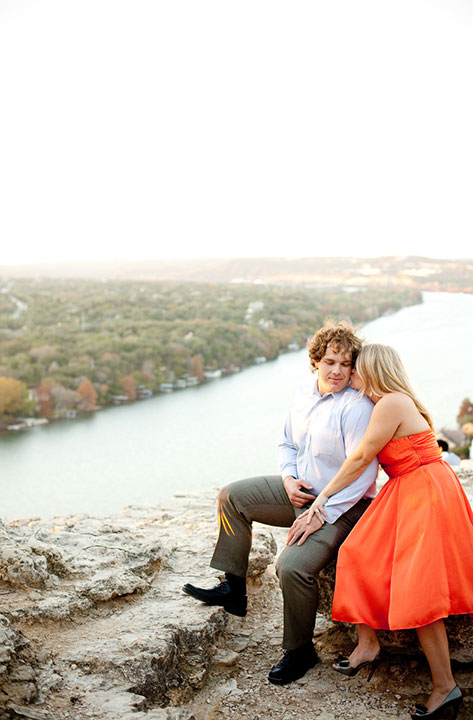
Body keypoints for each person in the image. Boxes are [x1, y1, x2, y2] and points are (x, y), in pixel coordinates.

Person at [183, 321, 378, 685]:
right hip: (298, 491)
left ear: (354, 367)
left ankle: (300, 649)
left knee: (290, 566)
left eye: (346, 364)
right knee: (232, 497)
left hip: (341, 506)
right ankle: (233, 588)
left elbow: (363, 474)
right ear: (316, 361)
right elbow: (287, 443)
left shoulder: (356, 407)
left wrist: (321, 512)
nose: (337, 371)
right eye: (330, 361)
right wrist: (288, 479)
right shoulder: (302, 394)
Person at [297, 344, 473, 719]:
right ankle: (367, 644)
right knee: (356, 551)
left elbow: (361, 457)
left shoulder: (390, 402)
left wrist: (322, 499)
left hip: (423, 493)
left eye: (355, 368)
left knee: (420, 590)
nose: (348, 374)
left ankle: (445, 688)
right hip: (408, 489)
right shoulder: (391, 402)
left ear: (372, 370)